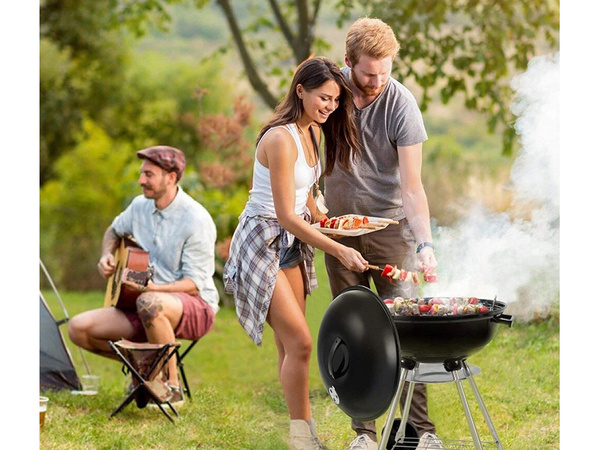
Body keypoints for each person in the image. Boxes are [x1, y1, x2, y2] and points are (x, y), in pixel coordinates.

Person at [223, 56, 369, 450]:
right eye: (324, 98)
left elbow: (307, 200)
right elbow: (286, 215)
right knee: (302, 344)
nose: (330, 107)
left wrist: (335, 221)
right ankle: (302, 438)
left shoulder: (312, 134)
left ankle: (299, 433)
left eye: (336, 100)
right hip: (262, 243)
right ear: (300, 90)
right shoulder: (279, 139)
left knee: (290, 346)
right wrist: (338, 250)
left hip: (291, 247)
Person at [322, 17, 442, 450]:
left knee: (404, 329)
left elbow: (412, 186)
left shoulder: (401, 104)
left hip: (391, 230)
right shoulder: (329, 96)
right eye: (368, 73)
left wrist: (424, 244)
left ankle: (422, 431)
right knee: (354, 332)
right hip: (337, 233)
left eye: (385, 72)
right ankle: (364, 435)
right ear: (348, 61)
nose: (376, 81)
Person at [68, 145, 219, 406]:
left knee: (149, 302)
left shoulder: (196, 219)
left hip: (193, 305)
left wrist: (153, 288)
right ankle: (146, 371)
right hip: (141, 301)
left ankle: (171, 387)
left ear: (171, 178)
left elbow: (194, 284)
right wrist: (106, 255)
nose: (141, 181)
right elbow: (114, 231)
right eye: (142, 174)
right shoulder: (139, 206)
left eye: (149, 174)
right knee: (78, 329)